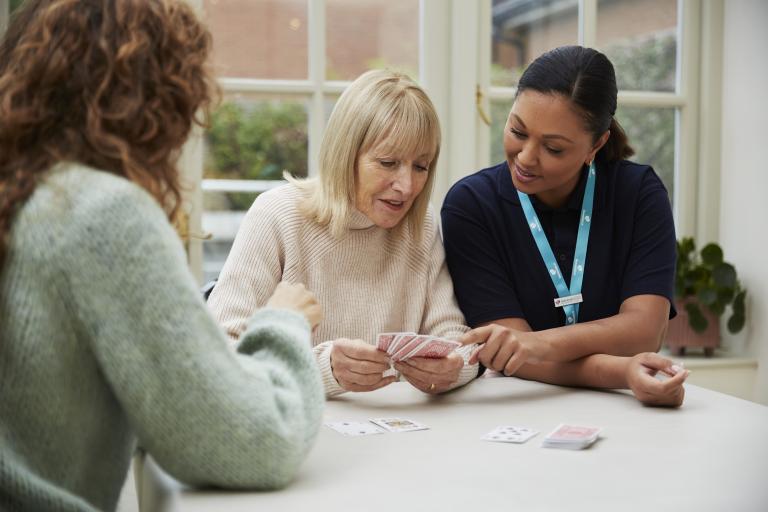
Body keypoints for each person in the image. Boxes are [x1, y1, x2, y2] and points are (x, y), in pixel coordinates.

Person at [0, 1, 324, 510]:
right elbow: (256, 443)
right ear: (157, 102)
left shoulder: (22, 194)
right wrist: (282, 325)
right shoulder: (99, 213)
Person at [208, 69, 479, 397]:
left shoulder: (420, 226)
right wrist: (324, 368)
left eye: (421, 167)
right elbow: (220, 355)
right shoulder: (276, 216)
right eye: (388, 162)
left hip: (398, 435)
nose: (407, 187)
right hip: (302, 430)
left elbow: (456, 340)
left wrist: (453, 367)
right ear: (345, 155)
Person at [442, 46, 688, 407]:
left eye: (554, 148)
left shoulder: (638, 195)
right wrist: (621, 372)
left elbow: (644, 332)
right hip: (521, 407)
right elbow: (508, 354)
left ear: (597, 144)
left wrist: (536, 344)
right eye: (517, 131)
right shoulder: (471, 206)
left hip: (625, 412)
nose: (525, 158)